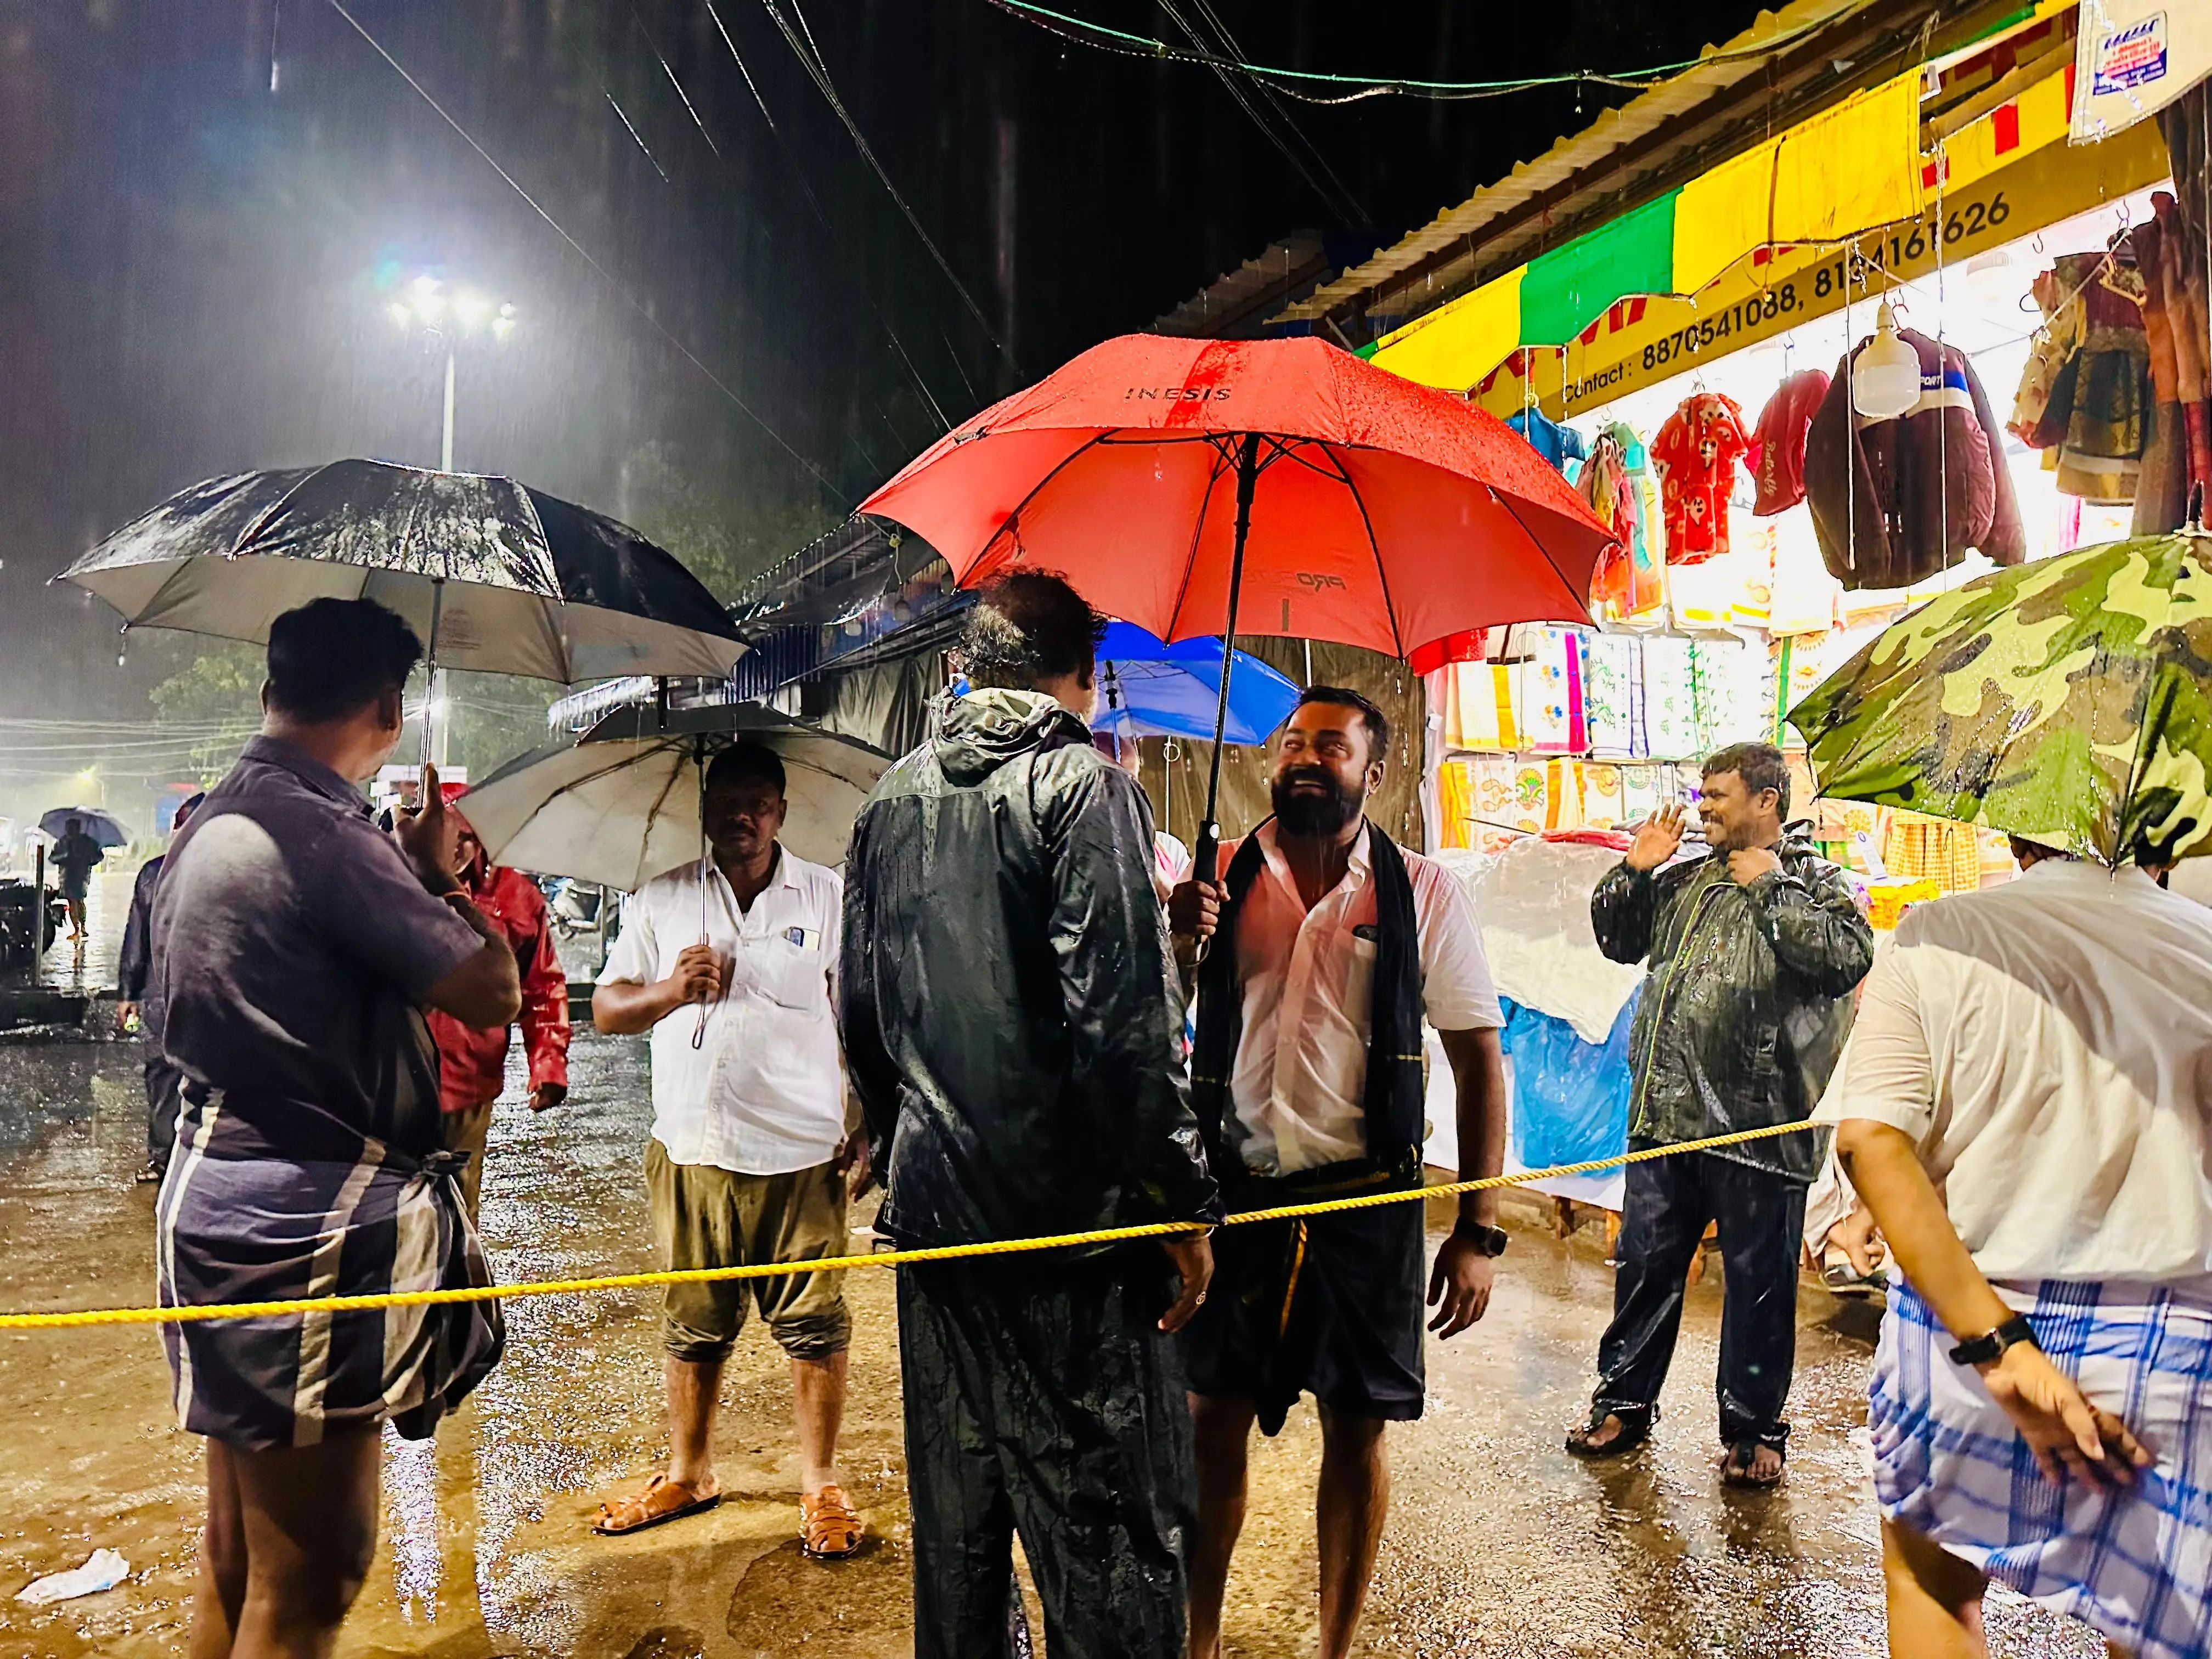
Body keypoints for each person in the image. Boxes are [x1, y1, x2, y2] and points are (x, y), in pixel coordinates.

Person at [839, 571, 1218, 1659]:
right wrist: (1179, 1203)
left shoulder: (891, 799)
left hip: (936, 1228)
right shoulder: (1085, 789)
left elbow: (861, 1010)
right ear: (1087, 677)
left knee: (960, 1531)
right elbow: (1124, 1037)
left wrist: (898, 1132)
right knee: (1101, 1540)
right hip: (1071, 1243)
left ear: (968, 667)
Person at [146, 596, 520, 1658]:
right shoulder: (322, 828)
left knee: (237, 1554)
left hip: (213, 1198)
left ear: (271, 689)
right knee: (315, 1574)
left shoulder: (219, 814)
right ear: (392, 710)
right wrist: (446, 880)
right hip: (302, 1231)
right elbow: (488, 988)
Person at [1168, 687, 1511, 1659]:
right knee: (1207, 1422)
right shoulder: (1218, 876)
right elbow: (1153, 1026)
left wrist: (1478, 1226)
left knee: (1357, 1434)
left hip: (1368, 1203)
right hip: (1233, 1197)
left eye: (1332, 744)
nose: (1306, 757)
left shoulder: (1422, 890)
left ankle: (1334, 1647)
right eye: (1293, 742)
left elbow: (1480, 1056)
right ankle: (1197, 1641)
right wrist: (1178, 942)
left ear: (1376, 768)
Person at [1818, 838, 2212, 1659]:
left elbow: (1870, 1141)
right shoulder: (2202, 946)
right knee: (2153, 1624)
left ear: (2019, 825)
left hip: (1968, 1327)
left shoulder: (1937, 936)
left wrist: (2000, 1347)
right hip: (2169, 1343)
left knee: (1934, 1582)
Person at [1566, 742, 1872, 1487]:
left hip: (1763, 1128)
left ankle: (1753, 1430)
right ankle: (1624, 1405)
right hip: (1667, 1118)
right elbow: (1617, 941)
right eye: (1702, 796)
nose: (1703, 809)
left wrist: (1772, 889)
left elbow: (1845, 959)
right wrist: (1635, 871)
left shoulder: (1819, 882)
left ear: (1768, 801)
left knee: (1760, 1285)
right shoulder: (1687, 880)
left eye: (1718, 797)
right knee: (1644, 1268)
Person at [590, 743, 867, 1558]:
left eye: (757, 803)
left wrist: (872, 1122)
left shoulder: (826, 895)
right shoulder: (664, 897)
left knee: (816, 1324)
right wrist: (671, 992)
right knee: (693, 1323)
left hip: (802, 1153)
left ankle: (820, 1484)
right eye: (726, 803)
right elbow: (608, 1008)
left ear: (781, 812)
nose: (740, 817)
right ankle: (690, 1470)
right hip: (693, 1152)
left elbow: (863, 1012)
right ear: (704, 811)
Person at [426, 815, 572, 1222]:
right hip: (384, 1082)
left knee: (456, 1208)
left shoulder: (516, 897)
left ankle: (458, 1285)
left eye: (467, 838)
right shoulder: (383, 879)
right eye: (443, 835)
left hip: (468, 1086)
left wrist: (548, 1064)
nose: (456, 848)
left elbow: (541, 986)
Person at [117, 789, 202, 1185]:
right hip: (217, 995)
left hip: (160, 997)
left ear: (177, 828)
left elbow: (136, 941)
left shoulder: (154, 873)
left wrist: (127, 994)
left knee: (163, 1079)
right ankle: (204, 1160)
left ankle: (161, 1158)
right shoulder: (239, 870)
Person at [52, 815, 105, 941]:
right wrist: (65, 857)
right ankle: (77, 929)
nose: (70, 831)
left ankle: (82, 927)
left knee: (79, 900)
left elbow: (98, 856)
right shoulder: (62, 842)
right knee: (72, 902)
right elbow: (53, 857)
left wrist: (87, 859)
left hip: (81, 876)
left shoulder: (87, 842)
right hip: (67, 876)